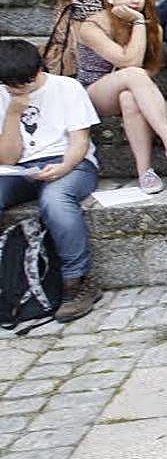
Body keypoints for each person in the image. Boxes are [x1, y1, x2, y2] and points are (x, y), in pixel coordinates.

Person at [0, 39, 103, 322]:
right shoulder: (3, 95)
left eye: (24, 82)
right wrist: (13, 112)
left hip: (72, 162)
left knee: (55, 200)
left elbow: (80, 142)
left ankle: (77, 282)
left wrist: (63, 167)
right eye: (10, 85)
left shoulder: (66, 88)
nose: (18, 89)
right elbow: (7, 158)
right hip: (19, 170)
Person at [76, 0, 167, 192]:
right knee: (133, 74)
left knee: (129, 98)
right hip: (94, 91)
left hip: (128, 88)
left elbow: (152, 68)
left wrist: (140, 26)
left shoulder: (153, 27)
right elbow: (129, 62)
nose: (135, 1)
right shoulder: (91, 26)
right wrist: (137, 22)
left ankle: (145, 172)